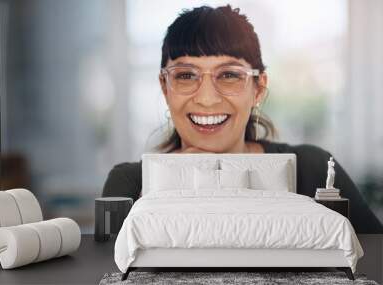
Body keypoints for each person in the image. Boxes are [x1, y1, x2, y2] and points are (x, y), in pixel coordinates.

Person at [102, 5, 383, 234]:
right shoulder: (129, 183)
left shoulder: (313, 168)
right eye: (186, 75)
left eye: (229, 75)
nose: (208, 99)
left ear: (258, 88)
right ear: (165, 88)